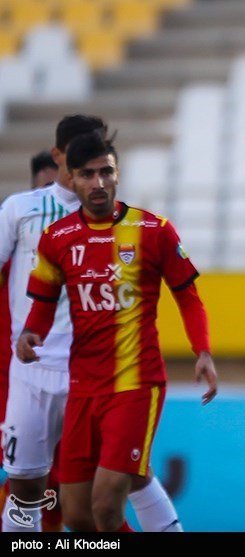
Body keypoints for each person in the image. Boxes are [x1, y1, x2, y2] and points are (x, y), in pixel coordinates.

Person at [15, 129, 218, 532]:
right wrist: (29, 335)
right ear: (71, 179)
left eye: (106, 172)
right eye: (87, 174)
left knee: (107, 506)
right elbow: (42, 303)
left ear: (118, 173)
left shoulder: (154, 230)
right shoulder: (56, 239)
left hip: (136, 384)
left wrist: (203, 351)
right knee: (77, 516)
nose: (98, 183)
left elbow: (188, 297)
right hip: (82, 387)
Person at [0, 149, 62, 531]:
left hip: (63, 378)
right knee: (23, 484)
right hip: (13, 382)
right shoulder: (13, 247)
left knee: (58, 494)